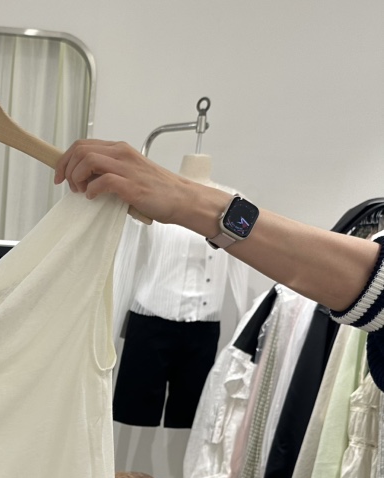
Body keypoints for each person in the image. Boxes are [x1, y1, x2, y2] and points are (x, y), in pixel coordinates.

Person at [54, 139, 384, 390]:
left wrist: (239, 330)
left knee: (187, 411)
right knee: (133, 405)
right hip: (150, 315)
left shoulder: (233, 197)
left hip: (203, 325)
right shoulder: (155, 202)